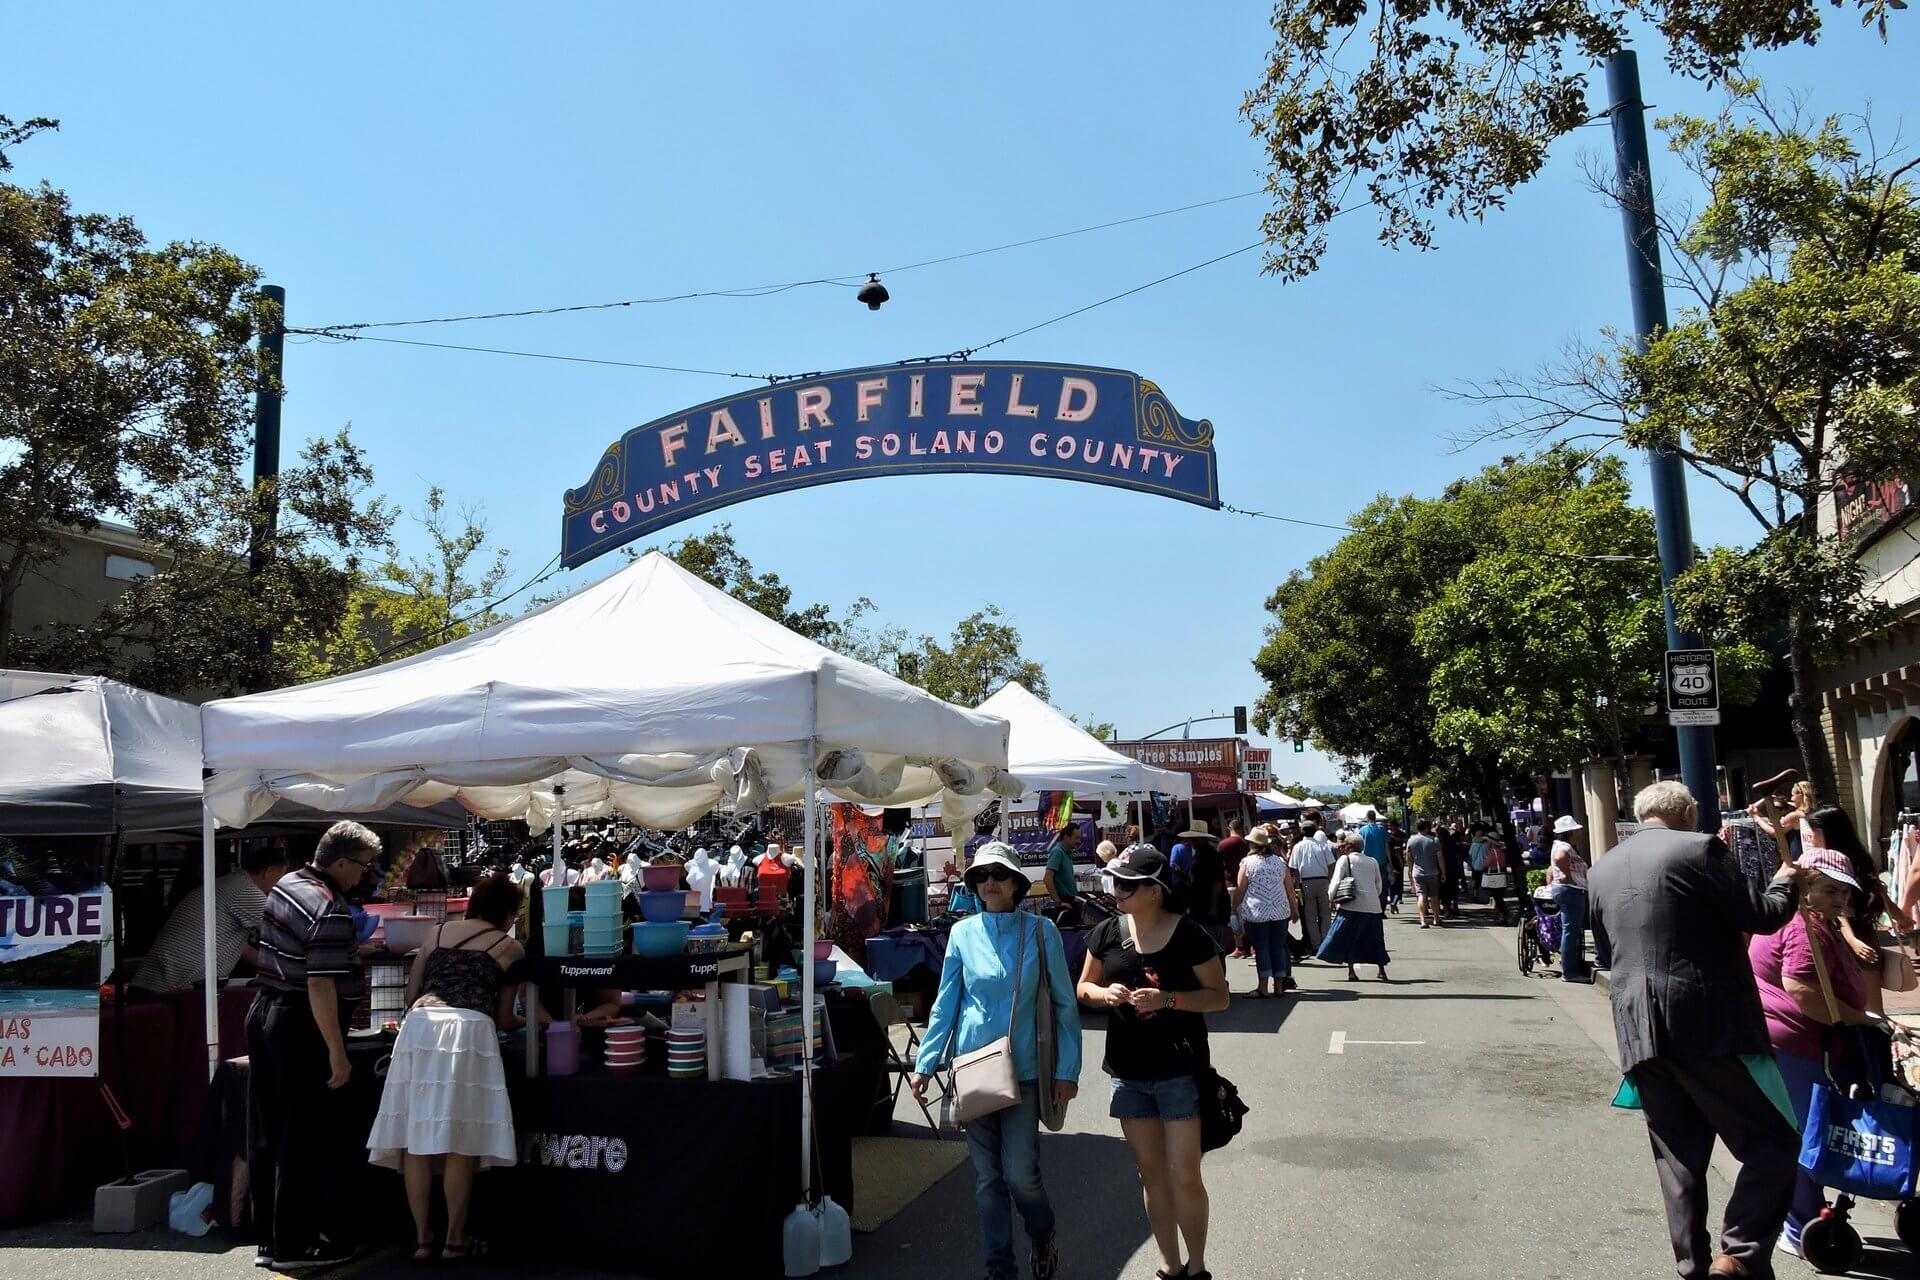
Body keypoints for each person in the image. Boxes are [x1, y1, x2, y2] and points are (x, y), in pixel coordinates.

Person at [1587, 781, 1804, 1280]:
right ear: (1686, 813)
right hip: (1705, 1020)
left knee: (1677, 1155)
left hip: (1638, 1027)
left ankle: (1693, 1266)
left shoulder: (1602, 869)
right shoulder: (1701, 847)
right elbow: (1763, 915)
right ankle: (1741, 1256)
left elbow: (1605, 954)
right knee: (1773, 1142)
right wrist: (1786, 879)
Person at [910, 843, 1082, 1280]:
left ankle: (1042, 1233)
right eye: (981, 875)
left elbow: (1065, 1004)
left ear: (1016, 884)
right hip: (973, 1071)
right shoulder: (962, 934)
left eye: (999, 875)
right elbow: (946, 1003)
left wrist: (1068, 1071)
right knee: (987, 1181)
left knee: (1021, 1175)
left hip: (1025, 1071)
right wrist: (926, 1061)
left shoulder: (1041, 932)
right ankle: (999, 1268)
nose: (989, 882)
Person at [1077, 845, 1230, 1280]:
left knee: (1184, 1173)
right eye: (1115, 881)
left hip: (1179, 1070)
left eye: (1126, 884)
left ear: (1155, 890)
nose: (1117, 890)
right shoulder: (1107, 932)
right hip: (1127, 1072)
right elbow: (1083, 987)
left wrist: (1170, 999)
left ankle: (1198, 1267)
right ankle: (1170, 1265)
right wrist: (1104, 995)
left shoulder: (1190, 935)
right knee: (1150, 1175)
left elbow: (1220, 998)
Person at [367, 874, 526, 1262]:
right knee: (459, 1141)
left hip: (420, 1026)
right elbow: (505, 1016)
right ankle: (455, 1239)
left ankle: (423, 1239)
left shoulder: (437, 934)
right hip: (469, 1030)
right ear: (506, 912)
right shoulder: (510, 947)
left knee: (416, 1137)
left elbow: (411, 993)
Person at [247, 821, 379, 1271]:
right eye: (362, 866)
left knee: (271, 1128)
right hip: (302, 1023)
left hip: (266, 1009)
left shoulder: (287, 883)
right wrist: (336, 1053)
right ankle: (295, 1246)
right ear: (341, 862)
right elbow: (320, 985)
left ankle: (270, 1237)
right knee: (305, 1136)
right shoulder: (330, 908)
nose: (364, 874)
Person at [1749, 847, 1876, 1258]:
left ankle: (1799, 1215)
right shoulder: (1804, 927)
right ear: (1805, 890)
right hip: (1794, 1043)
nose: (1840, 899)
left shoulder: (1816, 923)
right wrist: (1860, 1019)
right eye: (1829, 890)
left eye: (1845, 892)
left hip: (1795, 1044)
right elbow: (1801, 989)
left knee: (1803, 1131)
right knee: (1806, 1134)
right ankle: (1799, 1222)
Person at [132, 842, 289, 993]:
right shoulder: (246, 892)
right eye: (279, 879)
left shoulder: (230, 884)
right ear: (268, 872)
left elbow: (243, 950)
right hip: (169, 987)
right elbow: (288, 935)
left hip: (155, 980)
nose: (279, 886)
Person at [1232, 826, 1296, 997]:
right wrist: (1294, 908)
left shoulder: (1247, 863)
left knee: (1261, 948)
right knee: (1278, 948)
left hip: (1256, 912)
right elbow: (1289, 888)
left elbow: (1240, 889)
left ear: (1252, 844)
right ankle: (1279, 986)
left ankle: (1263, 987)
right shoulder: (1280, 862)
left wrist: (1233, 907)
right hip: (1279, 911)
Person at [1317, 832, 1390, 981]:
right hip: (1373, 907)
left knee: (1347, 938)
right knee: (1375, 939)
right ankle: (1381, 970)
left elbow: (1336, 881)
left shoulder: (1345, 860)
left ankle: (1351, 972)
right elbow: (1379, 886)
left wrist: (1331, 898)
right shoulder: (1372, 861)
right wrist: (1371, 897)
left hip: (1351, 906)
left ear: (1349, 846)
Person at [1547, 816, 1592, 983]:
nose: (1579, 833)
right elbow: (1559, 858)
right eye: (1576, 831)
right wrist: (1567, 876)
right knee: (1571, 932)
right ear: (1570, 832)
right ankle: (1570, 972)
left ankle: (1570, 968)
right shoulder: (1564, 847)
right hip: (1571, 890)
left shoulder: (1560, 845)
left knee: (1570, 931)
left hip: (1567, 889)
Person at [1289, 821, 1336, 953]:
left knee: (1310, 916)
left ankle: (1316, 945)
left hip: (1306, 883)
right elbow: (1331, 864)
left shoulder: (1298, 847)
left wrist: (1297, 887)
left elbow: (1295, 869)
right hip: (1323, 881)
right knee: (1325, 914)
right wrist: (1330, 879)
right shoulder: (1322, 845)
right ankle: (1327, 943)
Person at [1215, 819, 1250, 958]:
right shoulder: (1246, 844)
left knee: (1234, 915)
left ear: (1229, 828)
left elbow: (1218, 864)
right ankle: (1251, 945)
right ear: (1242, 828)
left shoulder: (1223, 844)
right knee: (1247, 916)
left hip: (1230, 884)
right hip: (1247, 884)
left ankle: (1239, 946)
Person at [1043, 822, 1084, 923]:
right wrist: (1058, 902)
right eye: (1076, 837)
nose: (1079, 841)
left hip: (1071, 901)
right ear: (1066, 837)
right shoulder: (1058, 852)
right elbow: (1047, 878)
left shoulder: (1067, 853)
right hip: (1065, 904)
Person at [1407, 820, 1443, 928]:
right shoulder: (1434, 840)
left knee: (1421, 895)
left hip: (1418, 872)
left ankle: (1423, 920)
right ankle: (1436, 919)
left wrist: (1410, 870)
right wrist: (1443, 872)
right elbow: (1440, 857)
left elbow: (1409, 858)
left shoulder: (1411, 840)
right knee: (1434, 897)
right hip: (1433, 872)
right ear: (1427, 828)